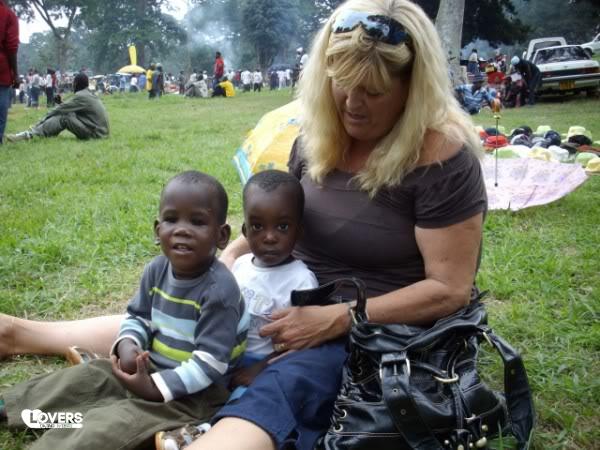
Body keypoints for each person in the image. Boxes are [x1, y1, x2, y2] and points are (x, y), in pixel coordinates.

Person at [0, 1, 486, 449]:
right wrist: (230, 259)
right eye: (342, 83)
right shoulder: (317, 140)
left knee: (276, 387)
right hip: (278, 296)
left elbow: (449, 290)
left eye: (373, 92)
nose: (352, 103)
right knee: (176, 315)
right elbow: (275, 222)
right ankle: (19, 334)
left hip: (361, 333)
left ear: (412, 89)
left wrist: (339, 318)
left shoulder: (441, 158)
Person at [0, 170, 247, 450]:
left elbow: (210, 363)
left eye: (197, 221)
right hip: (150, 367)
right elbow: (138, 316)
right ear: (157, 231)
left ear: (221, 236)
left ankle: (59, 442)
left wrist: (154, 389)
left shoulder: (220, 291)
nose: (182, 229)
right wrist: (128, 343)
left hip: (196, 395)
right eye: (171, 219)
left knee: (112, 424)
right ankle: (18, 409)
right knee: (89, 378)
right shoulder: (156, 270)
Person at [155, 169, 318, 449]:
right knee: (192, 381)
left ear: (299, 231)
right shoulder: (239, 267)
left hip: (264, 363)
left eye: (282, 227)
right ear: (244, 231)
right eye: (257, 226)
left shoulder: (301, 280)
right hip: (222, 353)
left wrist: (260, 369)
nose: (269, 237)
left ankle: (205, 433)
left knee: (247, 398)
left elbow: (302, 342)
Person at [6, 73, 109, 142]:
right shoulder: (88, 94)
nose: (72, 85)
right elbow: (71, 109)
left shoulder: (81, 96)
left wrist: (41, 121)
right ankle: (44, 132)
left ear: (76, 84)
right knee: (67, 113)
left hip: (95, 134)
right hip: (100, 132)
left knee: (64, 117)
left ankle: (30, 134)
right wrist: (61, 103)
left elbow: (60, 109)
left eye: (73, 83)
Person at [0, 0, 18, 145]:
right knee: (1, 106)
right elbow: (11, 47)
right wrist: (15, 74)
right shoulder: (8, 14)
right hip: (2, 71)